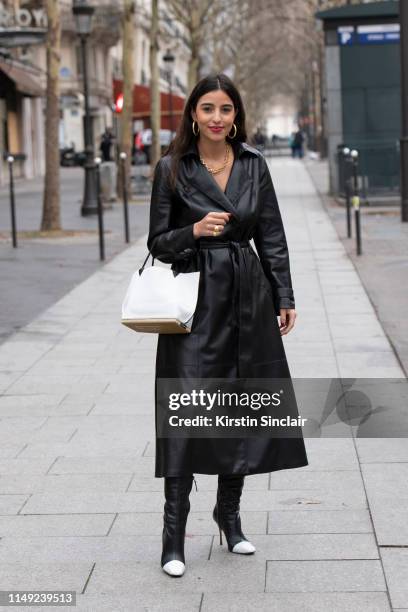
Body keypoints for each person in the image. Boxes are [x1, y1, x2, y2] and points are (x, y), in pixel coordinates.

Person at [147, 73, 308, 578]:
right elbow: (157, 242)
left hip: (247, 295)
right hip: (194, 302)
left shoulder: (255, 166)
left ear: (236, 114)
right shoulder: (172, 168)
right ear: (193, 114)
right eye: (207, 108)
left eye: (226, 109)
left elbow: (272, 235)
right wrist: (192, 231)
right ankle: (174, 534)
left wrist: (283, 294)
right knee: (188, 407)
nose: (217, 118)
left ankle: (229, 516)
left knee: (240, 403)